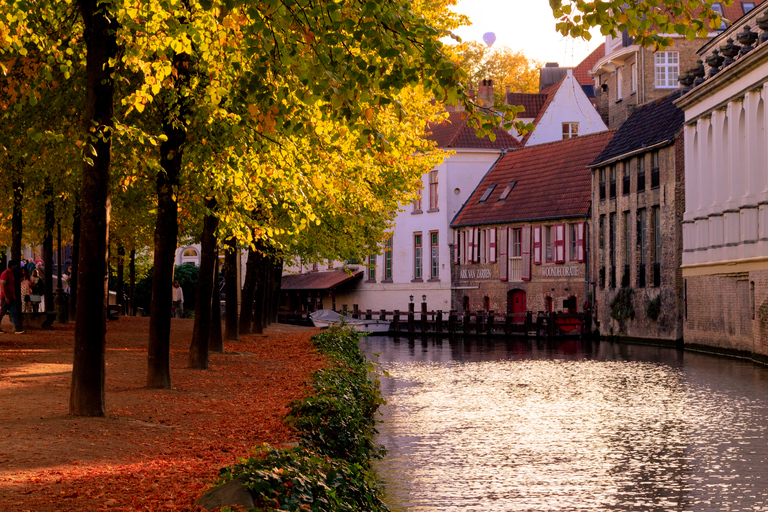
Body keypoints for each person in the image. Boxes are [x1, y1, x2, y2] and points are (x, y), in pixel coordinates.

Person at [0, 260, 25, 334]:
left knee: (13, 312)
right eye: (14, 266)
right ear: (11, 266)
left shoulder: (11, 274)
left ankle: (17, 328)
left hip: (10, 296)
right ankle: (17, 328)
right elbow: (2, 286)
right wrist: (6, 297)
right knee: (2, 312)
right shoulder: (5, 274)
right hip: (6, 296)